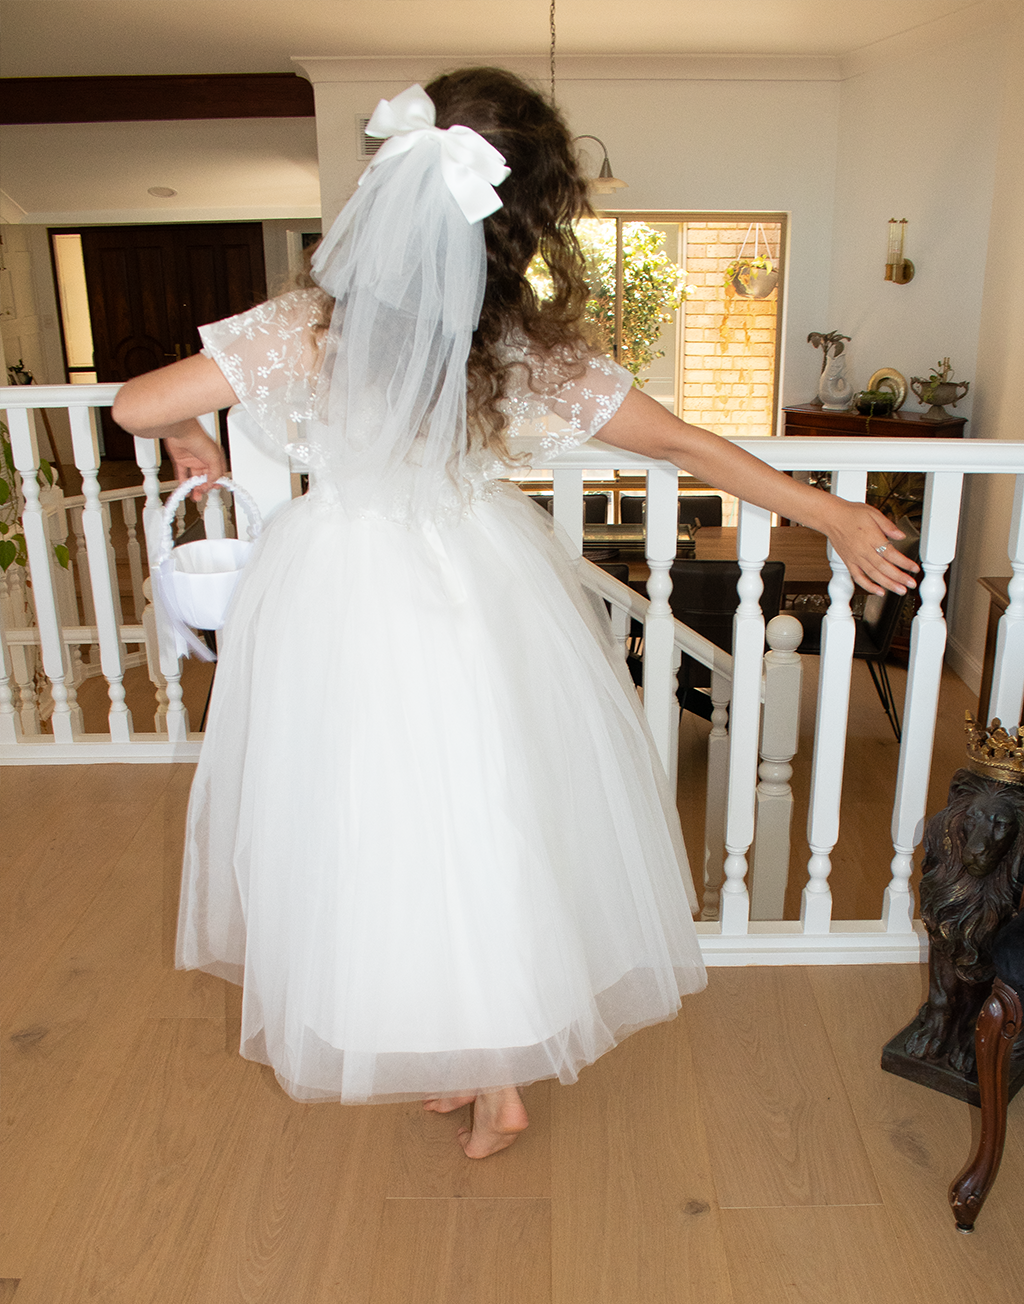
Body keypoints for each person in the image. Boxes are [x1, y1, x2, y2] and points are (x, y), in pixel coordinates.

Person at [113, 67, 918, 1159]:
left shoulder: (308, 323)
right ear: (516, 219)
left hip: (342, 601)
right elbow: (684, 443)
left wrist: (190, 436)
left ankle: (484, 1066)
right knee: (474, 822)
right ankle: (482, 1061)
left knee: (379, 826)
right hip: (466, 593)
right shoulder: (523, 351)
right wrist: (824, 509)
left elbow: (136, 402)